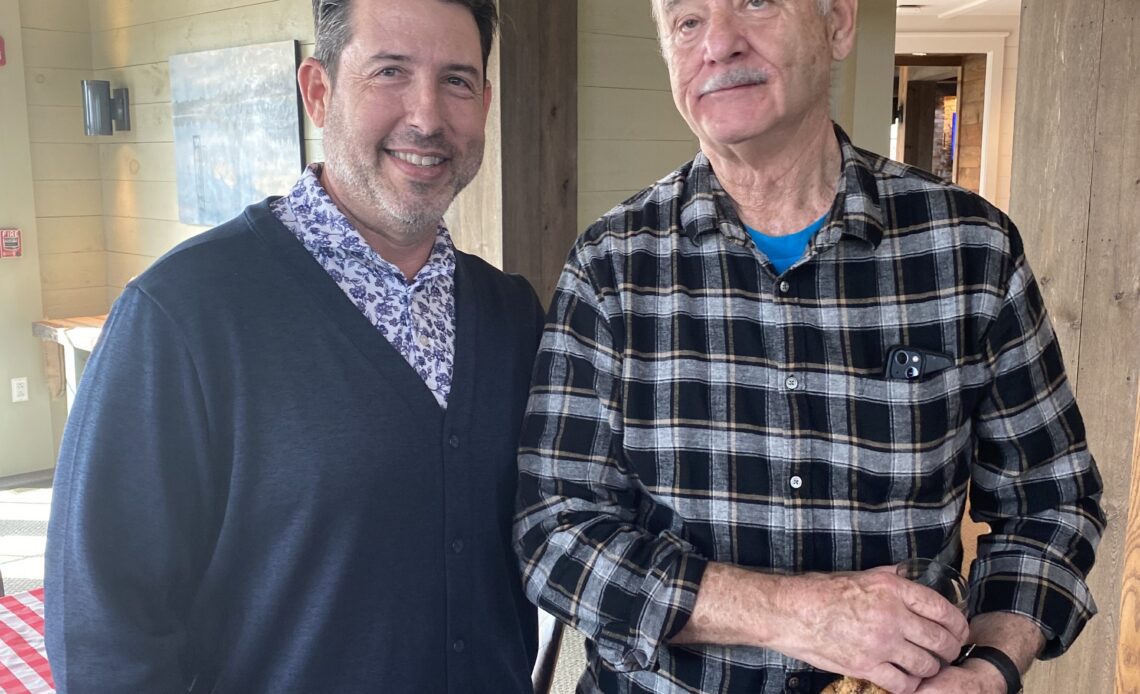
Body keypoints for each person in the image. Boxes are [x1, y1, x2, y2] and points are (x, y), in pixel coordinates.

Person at [513, 1, 1106, 693]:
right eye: (687, 21)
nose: (720, 44)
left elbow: (1053, 500)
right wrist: (796, 615)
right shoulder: (610, 266)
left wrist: (989, 667)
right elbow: (555, 534)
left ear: (839, 24)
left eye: (755, 2)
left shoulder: (970, 249)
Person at [45, 0, 543, 691]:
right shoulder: (182, 316)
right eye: (390, 72)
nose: (427, 116)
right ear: (318, 90)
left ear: (485, 104)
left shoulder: (512, 316)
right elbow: (103, 632)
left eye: (456, 80)